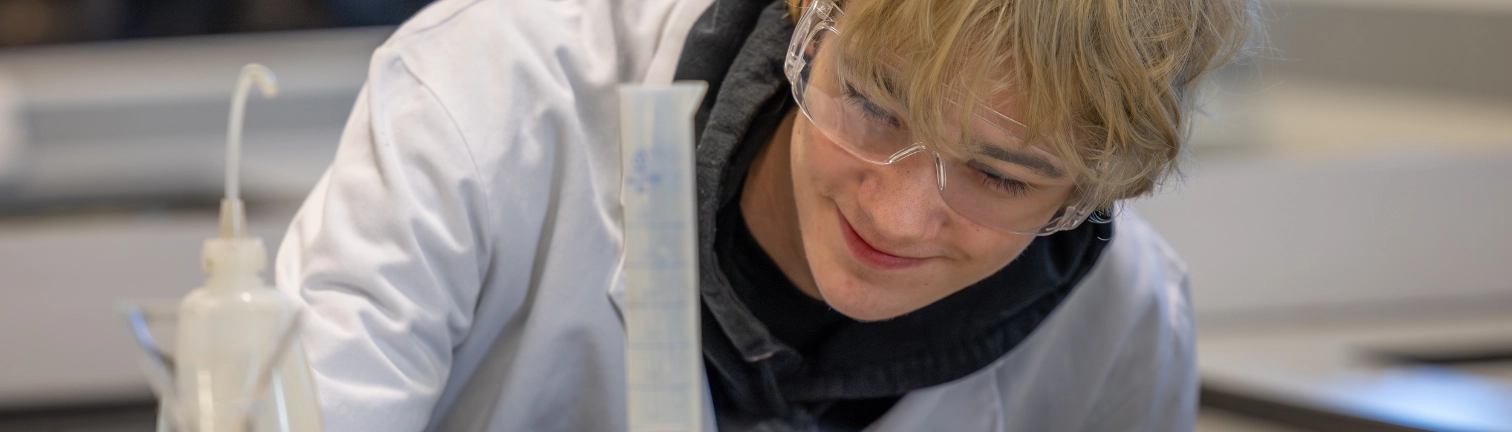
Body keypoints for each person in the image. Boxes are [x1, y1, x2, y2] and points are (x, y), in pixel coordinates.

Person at [273, 0, 1259, 429]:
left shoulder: (1121, 325)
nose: (902, 212)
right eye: (875, 104)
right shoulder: (493, 113)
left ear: (1091, 191)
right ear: (810, 16)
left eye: (1001, 178)